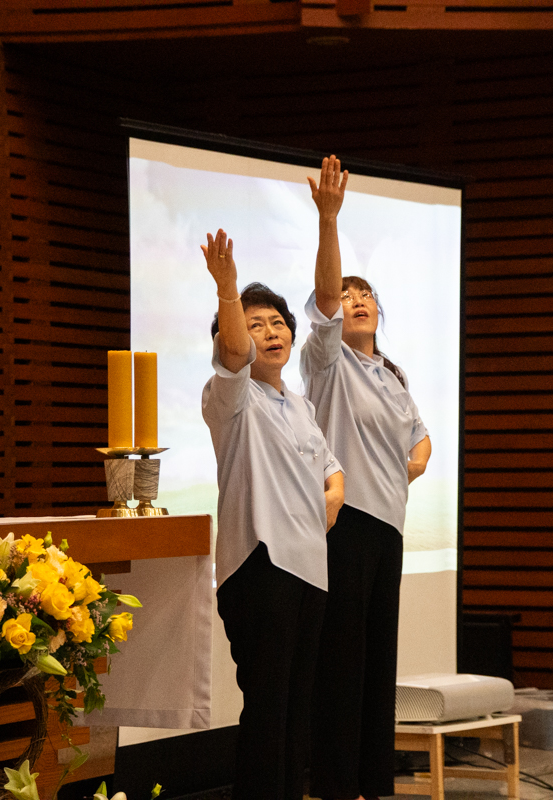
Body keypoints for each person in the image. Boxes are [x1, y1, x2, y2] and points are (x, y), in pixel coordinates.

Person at [302, 157, 432, 800]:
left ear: (381, 309)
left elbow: (420, 436)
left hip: (388, 528)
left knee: (379, 662)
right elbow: (325, 301)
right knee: (342, 663)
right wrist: (329, 219)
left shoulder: (393, 375)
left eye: (366, 294)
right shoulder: (328, 362)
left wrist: (415, 462)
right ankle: (335, 784)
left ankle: (372, 783)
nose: (356, 301)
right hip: (345, 524)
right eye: (349, 296)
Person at [200, 228, 346, 800]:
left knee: (296, 709)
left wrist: (334, 493)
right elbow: (235, 354)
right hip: (260, 567)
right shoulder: (230, 398)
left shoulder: (300, 404)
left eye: (278, 323)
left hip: (310, 570)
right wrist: (227, 289)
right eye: (256, 324)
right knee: (267, 708)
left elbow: (331, 467)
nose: (271, 333)